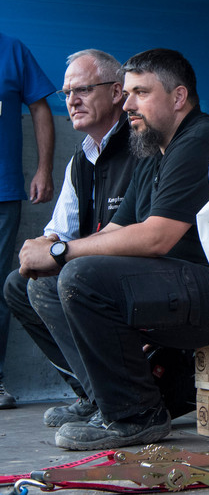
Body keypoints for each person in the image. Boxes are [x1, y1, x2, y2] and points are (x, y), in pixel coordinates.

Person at [18, 48, 209, 450]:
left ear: (178, 97)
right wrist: (56, 253)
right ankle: (108, 401)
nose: (128, 103)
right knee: (45, 284)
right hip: (180, 287)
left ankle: (136, 416)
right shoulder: (152, 150)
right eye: (128, 93)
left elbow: (157, 237)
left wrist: (60, 254)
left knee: (80, 275)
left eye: (140, 92)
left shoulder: (200, 139)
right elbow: (120, 229)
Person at [4, 49, 135, 418]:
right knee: (19, 284)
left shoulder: (140, 145)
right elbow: (55, 232)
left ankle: (120, 403)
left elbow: (145, 237)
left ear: (115, 93)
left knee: (56, 281)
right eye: (66, 93)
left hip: (140, 274)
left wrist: (59, 252)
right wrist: (41, 250)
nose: (72, 101)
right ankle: (93, 395)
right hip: (97, 271)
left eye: (83, 90)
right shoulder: (82, 157)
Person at [0, 32, 56, 409]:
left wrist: (44, 168)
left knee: (1, 287)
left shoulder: (12, 49)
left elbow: (40, 108)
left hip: (2, 192)